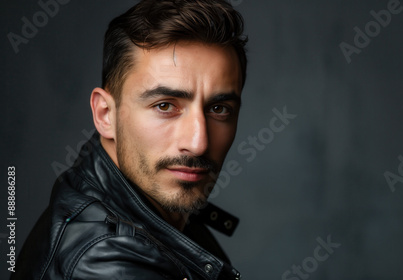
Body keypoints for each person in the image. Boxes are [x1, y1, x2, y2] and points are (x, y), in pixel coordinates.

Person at [13, 0, 247, 279]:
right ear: (105, 115)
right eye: (165, 106)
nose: (198, 143)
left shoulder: (162, 210)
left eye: (219, 109)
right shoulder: (105, 264)